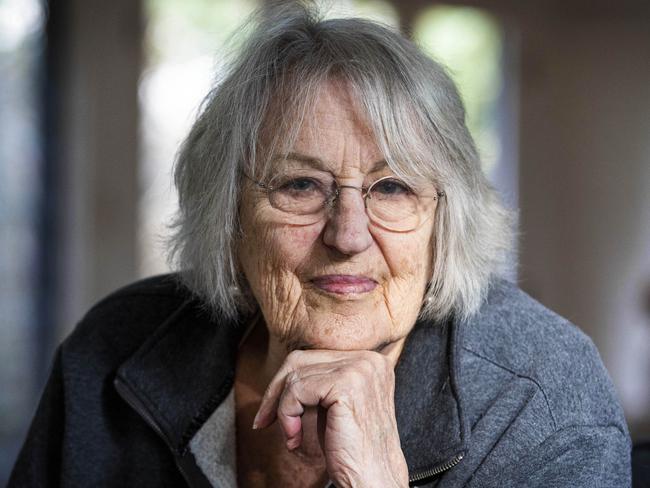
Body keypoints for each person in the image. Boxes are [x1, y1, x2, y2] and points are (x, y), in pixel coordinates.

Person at [9, 2, 631, 487]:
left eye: (391, 188)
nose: (349, 235)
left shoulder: (540, 396)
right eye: (300, 185)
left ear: (446, 218)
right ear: (228, 213)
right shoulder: (112, 349)